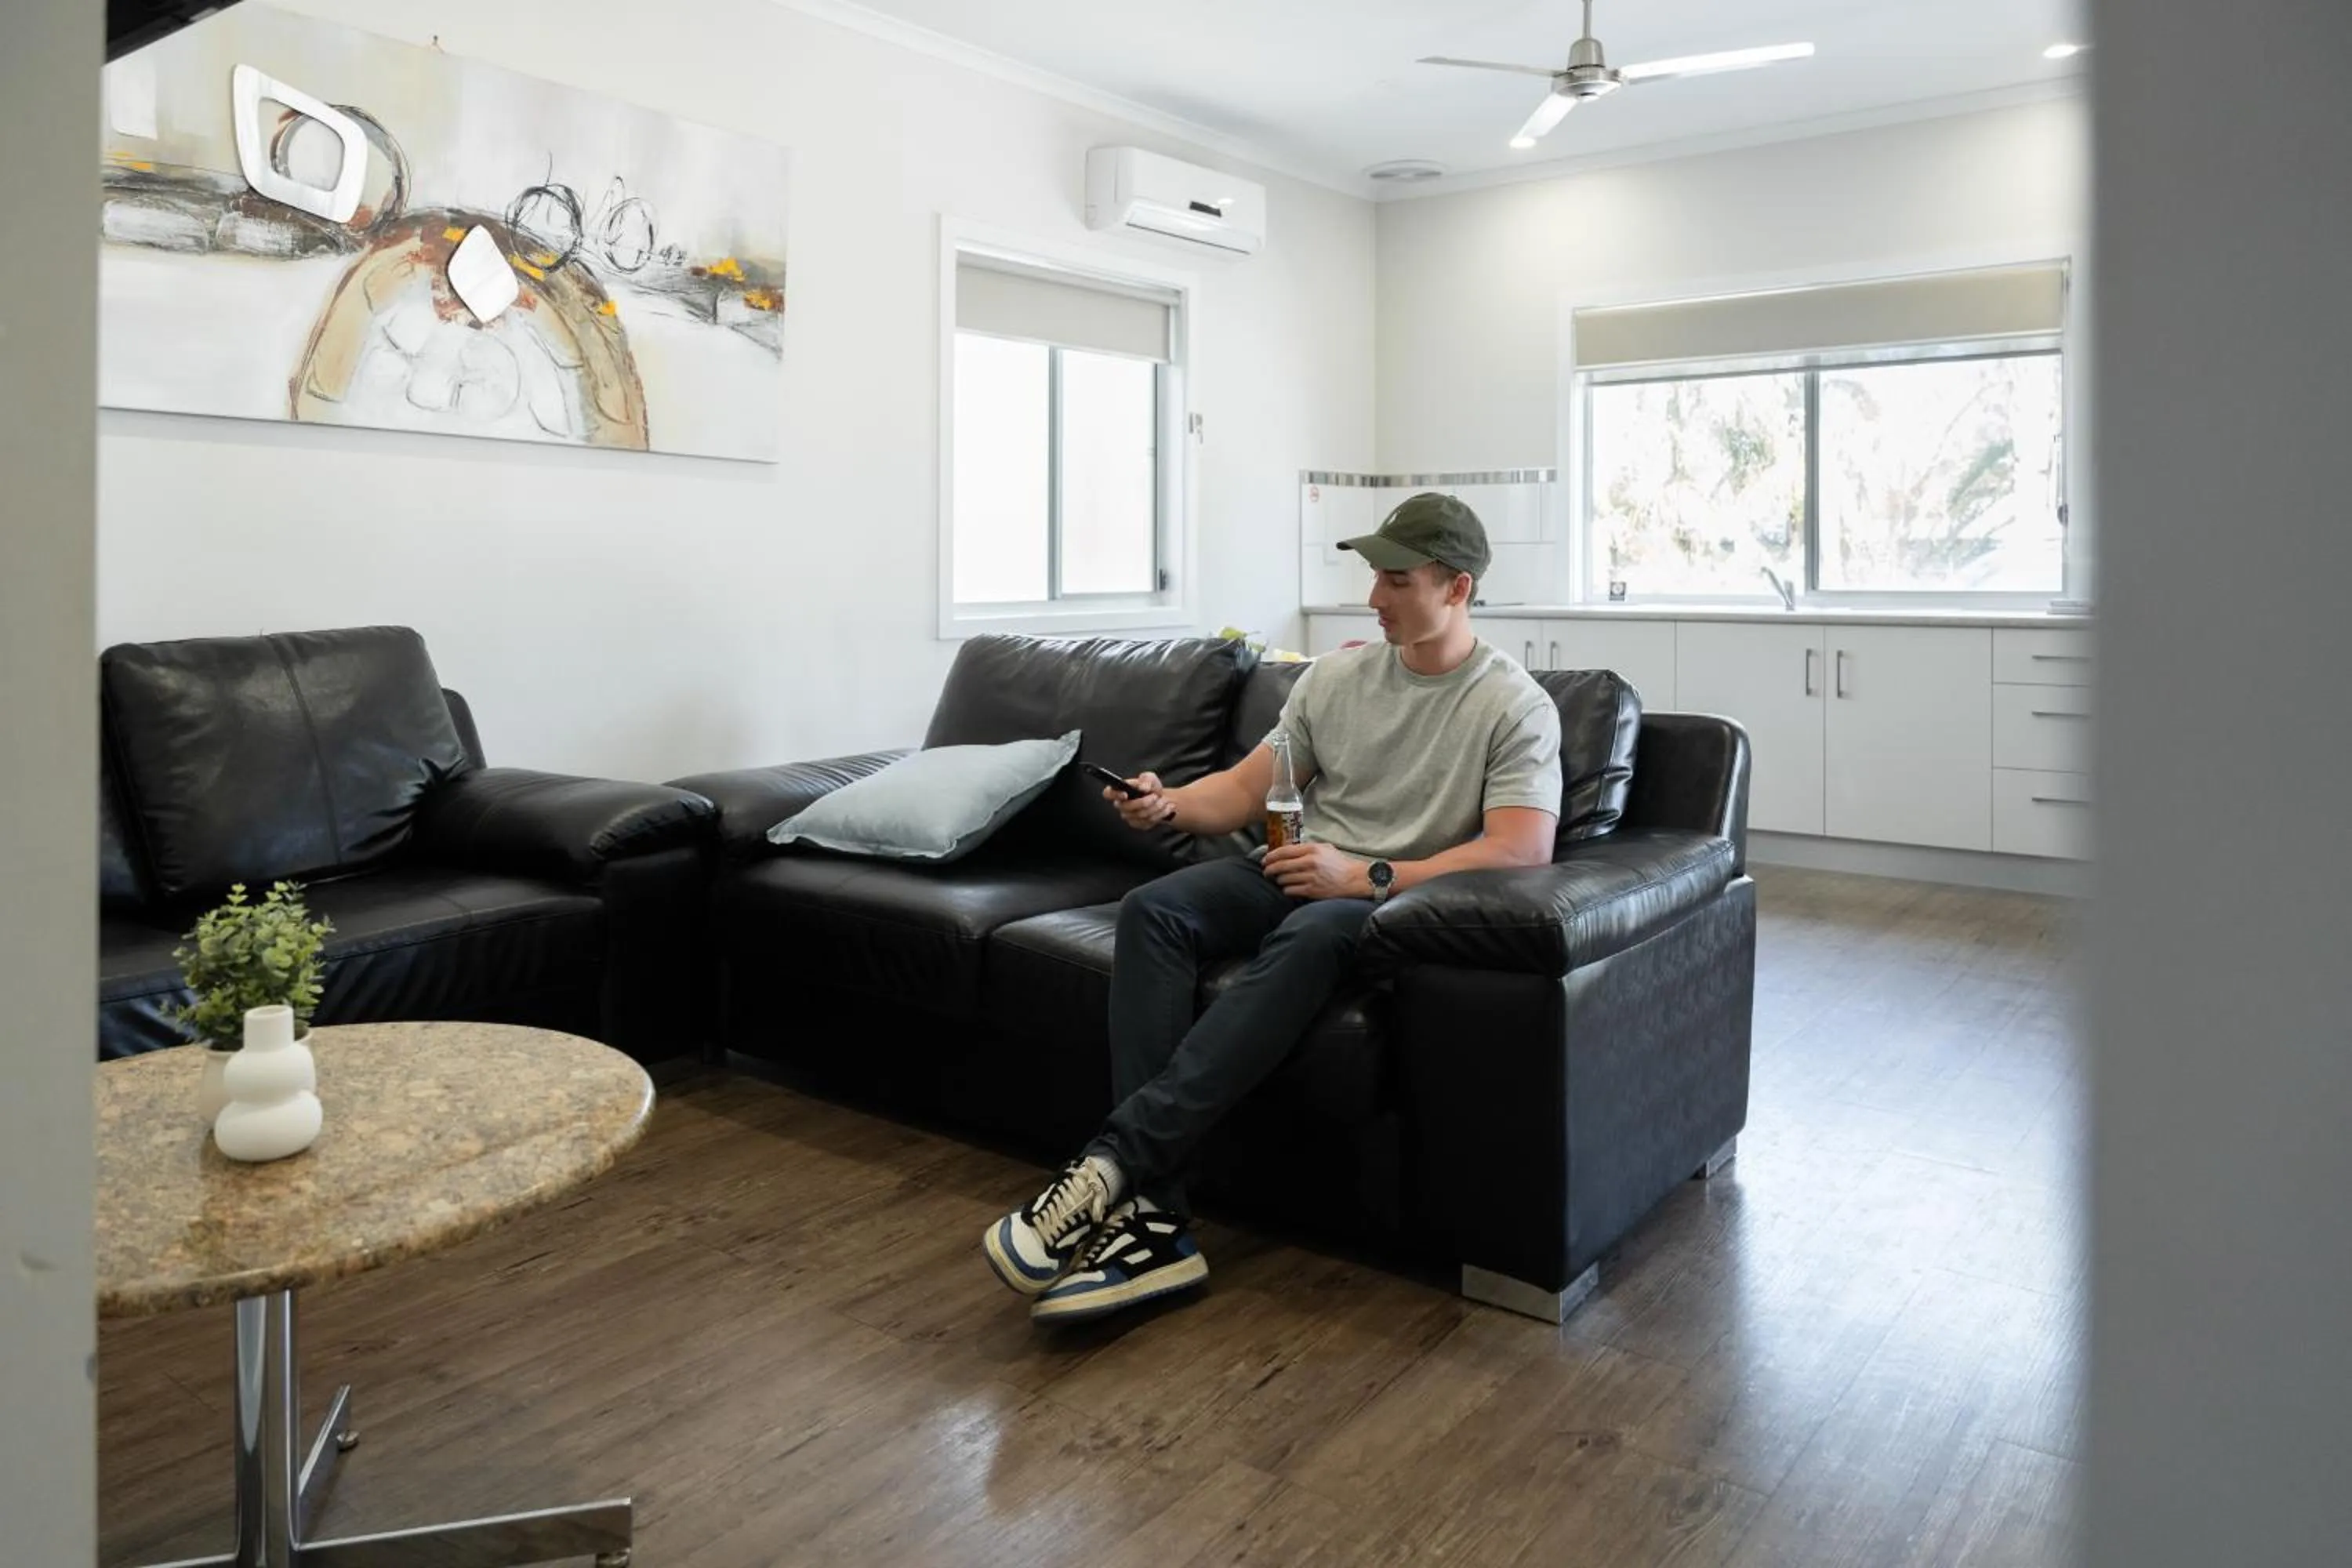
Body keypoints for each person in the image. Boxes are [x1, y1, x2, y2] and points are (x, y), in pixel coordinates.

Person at [982, 492, 1565, 1323]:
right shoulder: (1337, 677)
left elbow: (1520, 848)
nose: (1374, 597)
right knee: (1153, 908)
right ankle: (1158, 1222)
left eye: (1397, 579)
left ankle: (1113, 1164)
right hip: (1296, 865)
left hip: (1385, 899)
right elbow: (1243, 791)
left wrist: (1364, 874)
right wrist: (1168, 803)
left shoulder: (1513, 704)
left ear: (1458, 587)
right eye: (1373, 576)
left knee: (1316, 929)